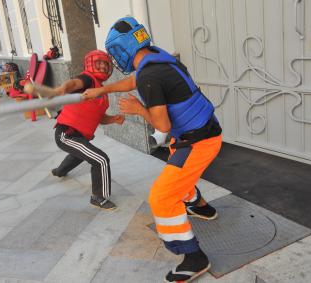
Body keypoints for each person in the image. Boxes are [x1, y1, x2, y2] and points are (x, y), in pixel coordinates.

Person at [83, 17, 222, 282]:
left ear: (121, 49)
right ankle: (201, 206)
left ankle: (194, 258)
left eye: (113, 52)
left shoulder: (150, 76)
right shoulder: (157, 57)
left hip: (199, 142)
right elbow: (134, 80)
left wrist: (138, 110)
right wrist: (102, 90)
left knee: (161, 197)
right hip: (197, 134)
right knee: (176, 166)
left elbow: (162, 123)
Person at [52, 50, 125, 210]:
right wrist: (64, 87)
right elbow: (74, 83)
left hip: (79, 137)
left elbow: (99, 117)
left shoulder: (101, 92)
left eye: (106, 64)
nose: (103, 67)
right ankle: (99, 197)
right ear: (90, 63)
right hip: (66, 133)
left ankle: (59, 171)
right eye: (99, 63)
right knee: (100, 159)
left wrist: (113, 119)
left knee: (79, 154)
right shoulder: (87, 79)